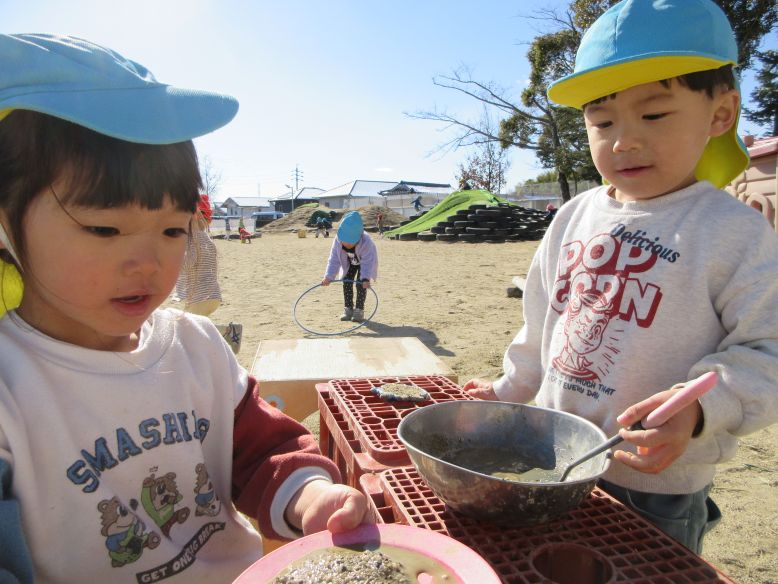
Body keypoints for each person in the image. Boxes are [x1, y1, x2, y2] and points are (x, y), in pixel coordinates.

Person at [0, 33, 366, 583]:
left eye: (174, 229)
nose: (148, 263)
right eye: (104, 229)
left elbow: (261, 451)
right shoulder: (11, 387)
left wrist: (309, 496)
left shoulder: (196, 347)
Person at [464, 0, 778, 555]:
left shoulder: (735, 232)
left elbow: (766, 349)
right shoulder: (573, 215)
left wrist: (698, 409)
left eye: (654, 115)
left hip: (652, 482)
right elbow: (541, 324)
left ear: (721, 113)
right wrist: (507, 390)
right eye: (602, 122)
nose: (623, 141)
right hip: (550, 457)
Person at [321, 211, 377, 322]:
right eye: (344, 241)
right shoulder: (338, 241)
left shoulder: (366, 242)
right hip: (349, 262)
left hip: (364, 263)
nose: (346, 245)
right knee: (346, 280)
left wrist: (366, 278)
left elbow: (367, 262)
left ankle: (359, 310)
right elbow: (334, 260)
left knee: (360, 284)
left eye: (350, 242)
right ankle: (348, 309)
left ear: (358, 238)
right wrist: (328, 276)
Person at [173, 196, 223, 316]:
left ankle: (225, 330)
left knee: (187, 324)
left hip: (199, 297)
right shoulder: (207, 239)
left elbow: (189, 262)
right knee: (198, 323)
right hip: (213, 295)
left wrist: (174, 264)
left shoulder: (192, 239)